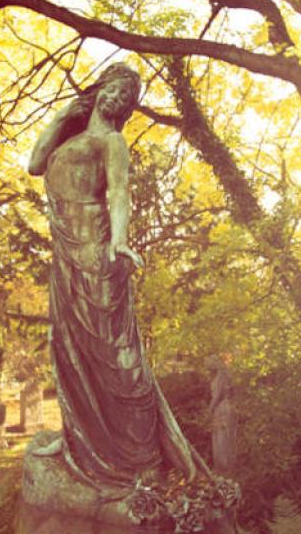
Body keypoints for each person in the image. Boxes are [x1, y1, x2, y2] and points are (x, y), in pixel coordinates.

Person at [24, 63, 203, 489]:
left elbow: (119, 192)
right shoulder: (72, 138)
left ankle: (141, 457)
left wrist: (119, 241)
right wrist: (62, 115)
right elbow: (34, 164)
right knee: (70, 349)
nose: (118, 99)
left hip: (96, 251)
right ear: (100, 89)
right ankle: (79, 441)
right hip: (66, 254)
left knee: (114, 355)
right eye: (115, 89)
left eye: (127, 97)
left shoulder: (113, 142)